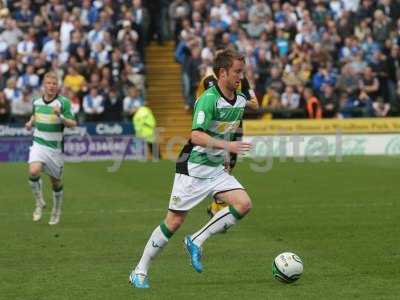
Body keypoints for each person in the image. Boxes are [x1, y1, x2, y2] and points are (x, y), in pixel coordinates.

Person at [129, 49, 253, 288]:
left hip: (216, 169)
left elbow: (225, 128)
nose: (241, 77)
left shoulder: (239, 100)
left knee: (244, 203)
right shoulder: (208, 98)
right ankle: (139, 270)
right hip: (193, 167)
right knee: (174, 222)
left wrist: (226, 154)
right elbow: (195, 136)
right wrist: (228, 145)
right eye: (237, 72)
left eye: (243, 72)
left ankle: (197, 239)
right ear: (222, 73)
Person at [195, 63, 259, 219]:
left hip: (234, 128)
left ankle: (217, 205)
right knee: (217, 164)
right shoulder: (207, 80)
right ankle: (217, 202)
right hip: (215, 129)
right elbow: (198, 101)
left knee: (229, 165)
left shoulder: (242, 82)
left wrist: (240, 101)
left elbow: (255, 105)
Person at [25, 71, 77, 225]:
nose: (51, 86)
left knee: (55, 183)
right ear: (44, 85)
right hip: (38, 143)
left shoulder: (64, 103)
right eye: (48, 83)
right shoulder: (36, 101)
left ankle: (56, 211)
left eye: (54, 84)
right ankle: (39, 202)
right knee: (33, 171)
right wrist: (30, 123)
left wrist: (60, 116)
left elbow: (73, 125)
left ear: (57, 86)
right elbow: (35, 115)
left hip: (54, 148)